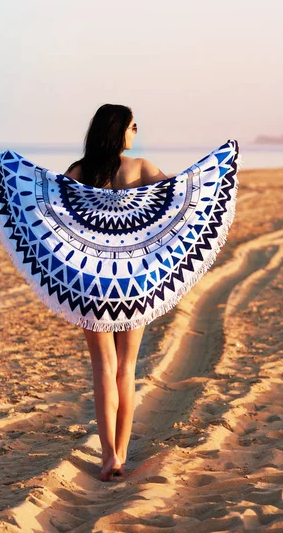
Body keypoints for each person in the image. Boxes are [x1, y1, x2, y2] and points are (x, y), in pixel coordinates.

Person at [64, 104, 168, 482]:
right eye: (133, 126)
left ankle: (108, 456)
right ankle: (121, 454)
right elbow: (178, 197)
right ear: (119, 130)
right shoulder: (140, 169)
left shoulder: (78, 172)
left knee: (103, 369)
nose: (136, 132)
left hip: (91, 281)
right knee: (127, 368)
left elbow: (54, 216)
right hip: (133, 281)